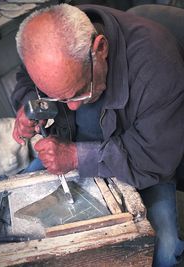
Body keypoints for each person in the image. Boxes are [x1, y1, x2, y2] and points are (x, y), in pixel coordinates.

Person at [11, 4, 184, 266]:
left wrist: (76, 157)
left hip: (142, 164)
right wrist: (30, 106)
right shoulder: (47, 42)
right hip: (70, 148)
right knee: (13, 224)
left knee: (165, 250)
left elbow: (153, 158)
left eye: (79, 91)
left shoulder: (160, 65)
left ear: (100, 49)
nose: (71, 106)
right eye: (59, 96)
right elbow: (27, 82)